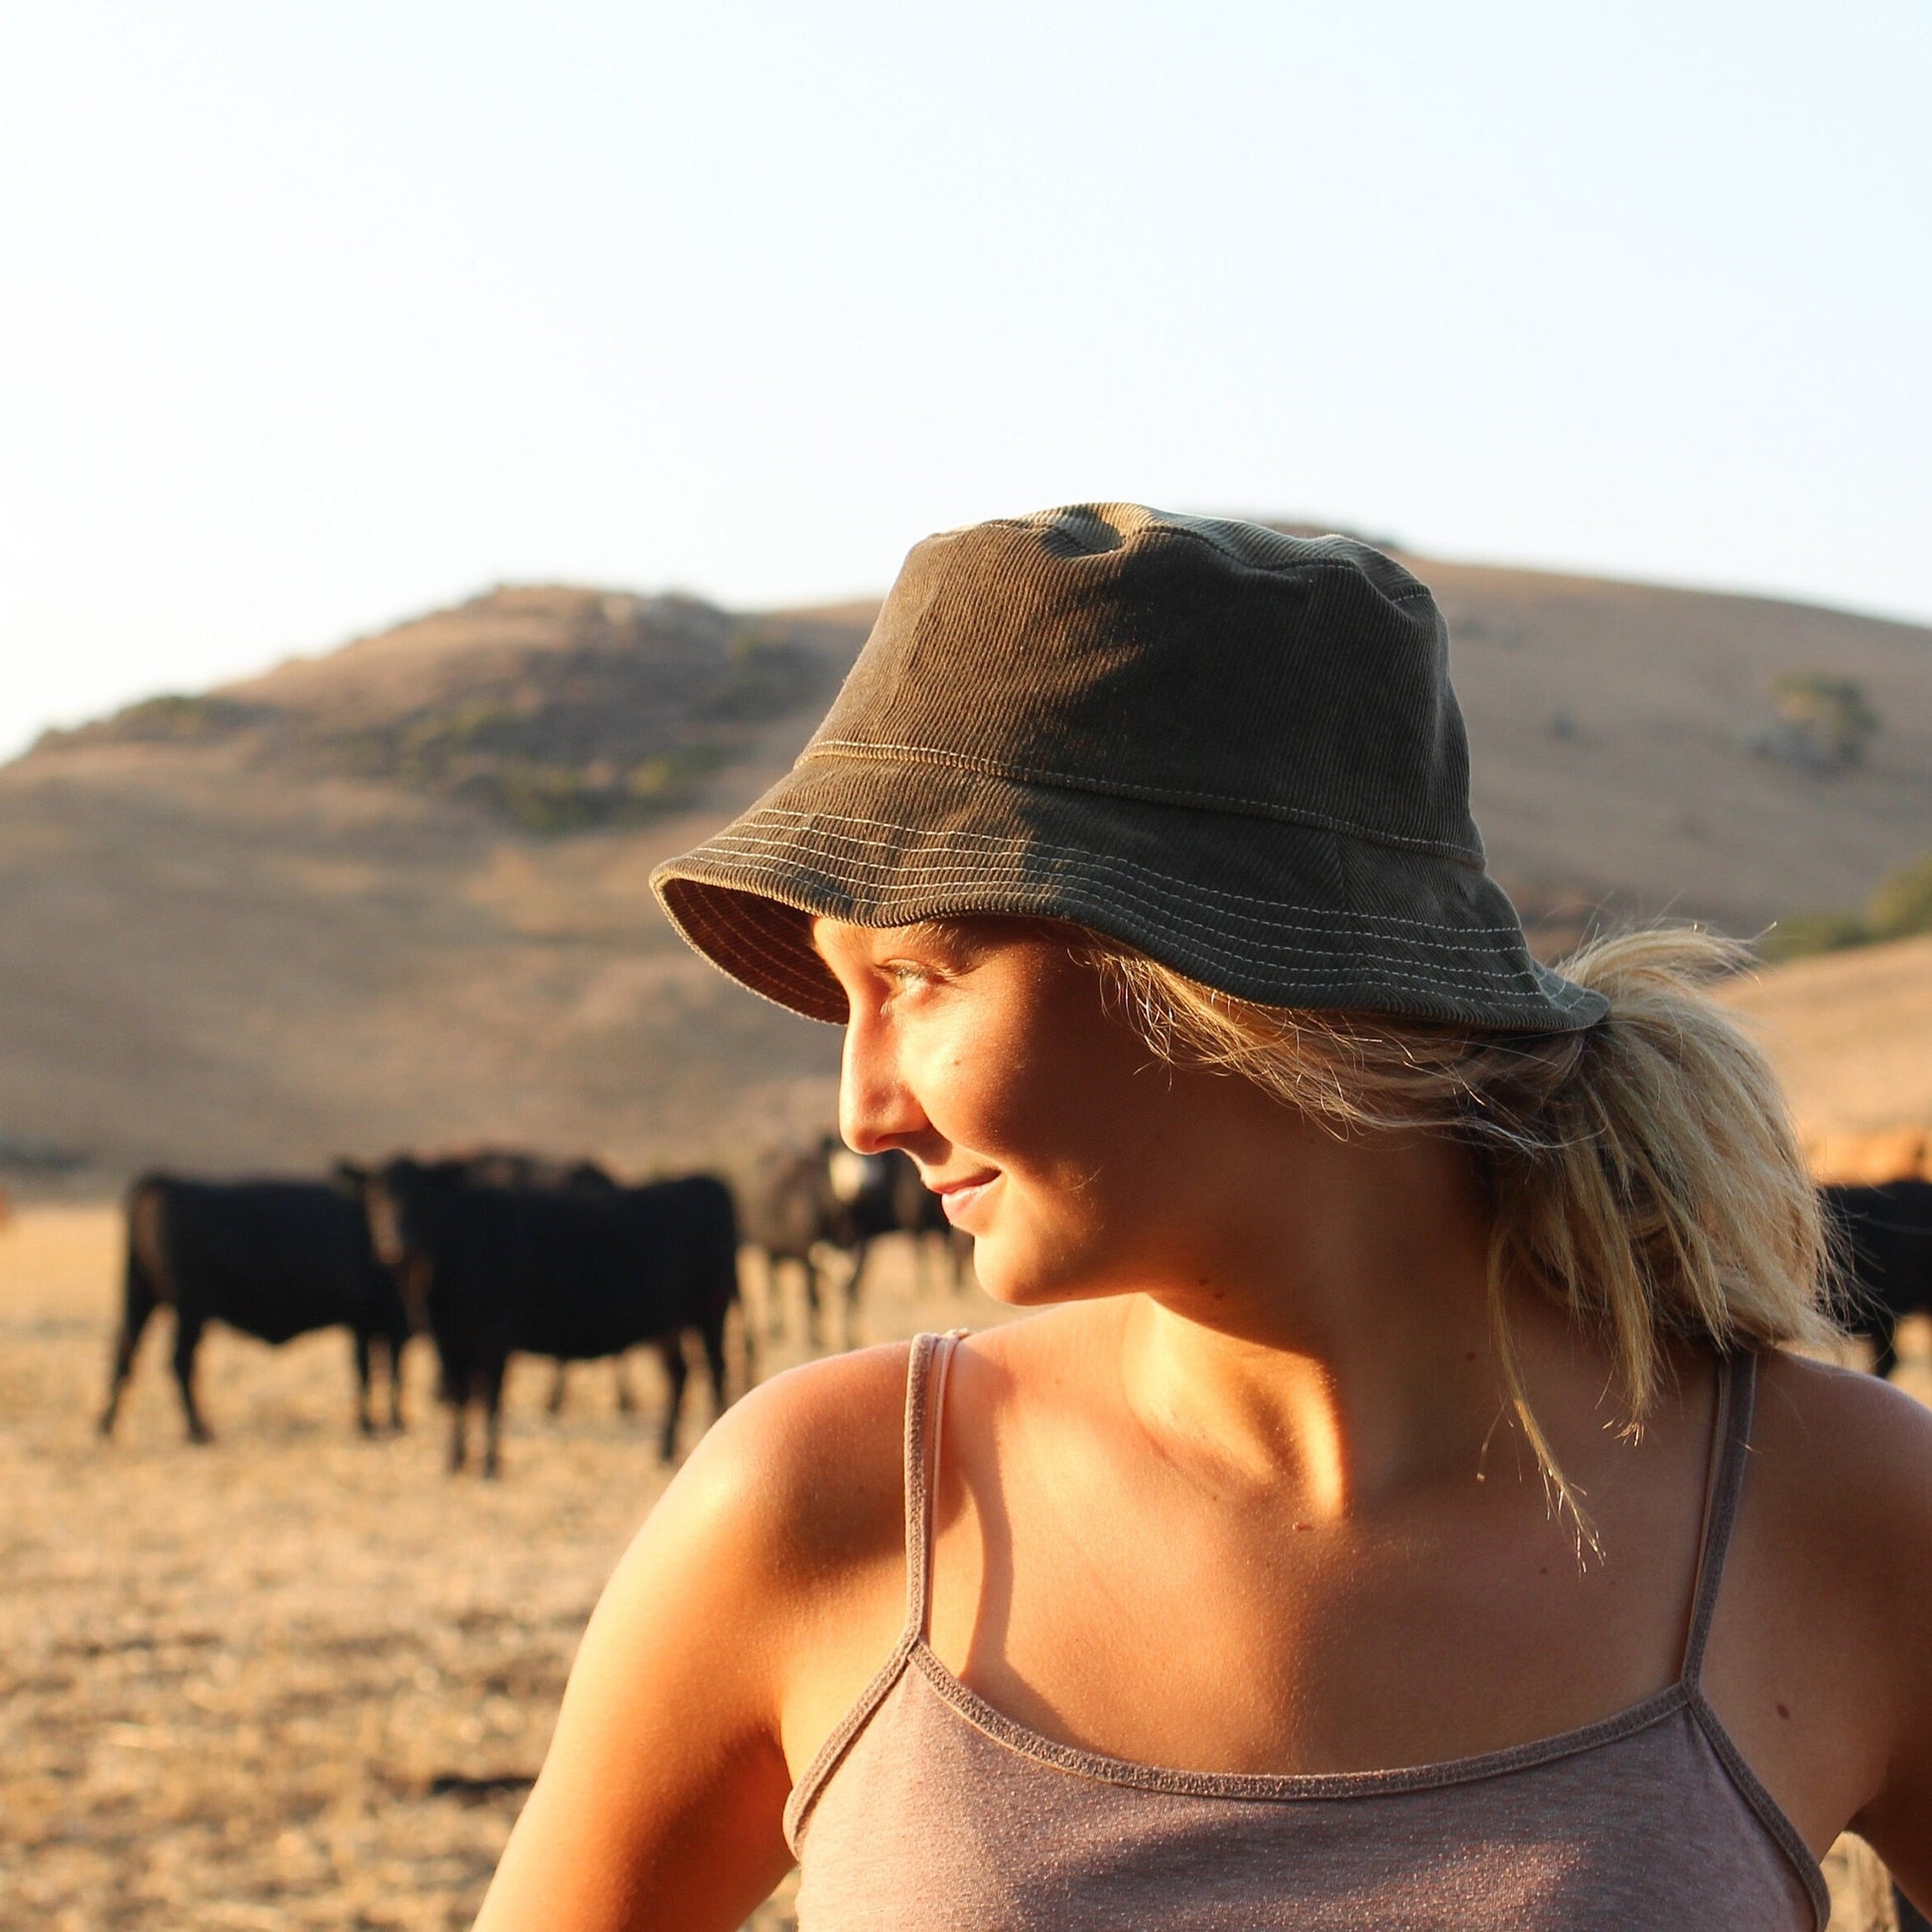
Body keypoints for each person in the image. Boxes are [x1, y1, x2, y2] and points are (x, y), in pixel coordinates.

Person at [472, 506, 1932, 1928]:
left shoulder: (1841, 1508)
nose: (862, 1112)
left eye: (916, 975)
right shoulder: (822, 1500)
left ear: (1219, 975)